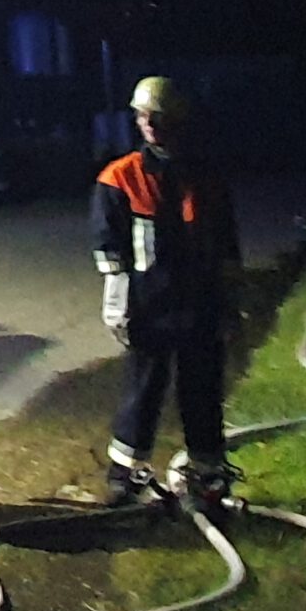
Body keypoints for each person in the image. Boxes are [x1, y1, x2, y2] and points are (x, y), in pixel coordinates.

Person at [95, 76, 244, 513]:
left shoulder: (206, 177)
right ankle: (126, 477)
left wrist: (230, 303)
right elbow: (109, 247)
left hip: (201, 303)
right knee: (143, 391)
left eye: (157, 117)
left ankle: (208, 475)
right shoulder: (120, 177)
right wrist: (117, 302)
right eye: (143, 116)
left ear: (179, 120)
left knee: (202, 392)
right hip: (149, 306)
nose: (149, 124)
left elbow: (226, 245)